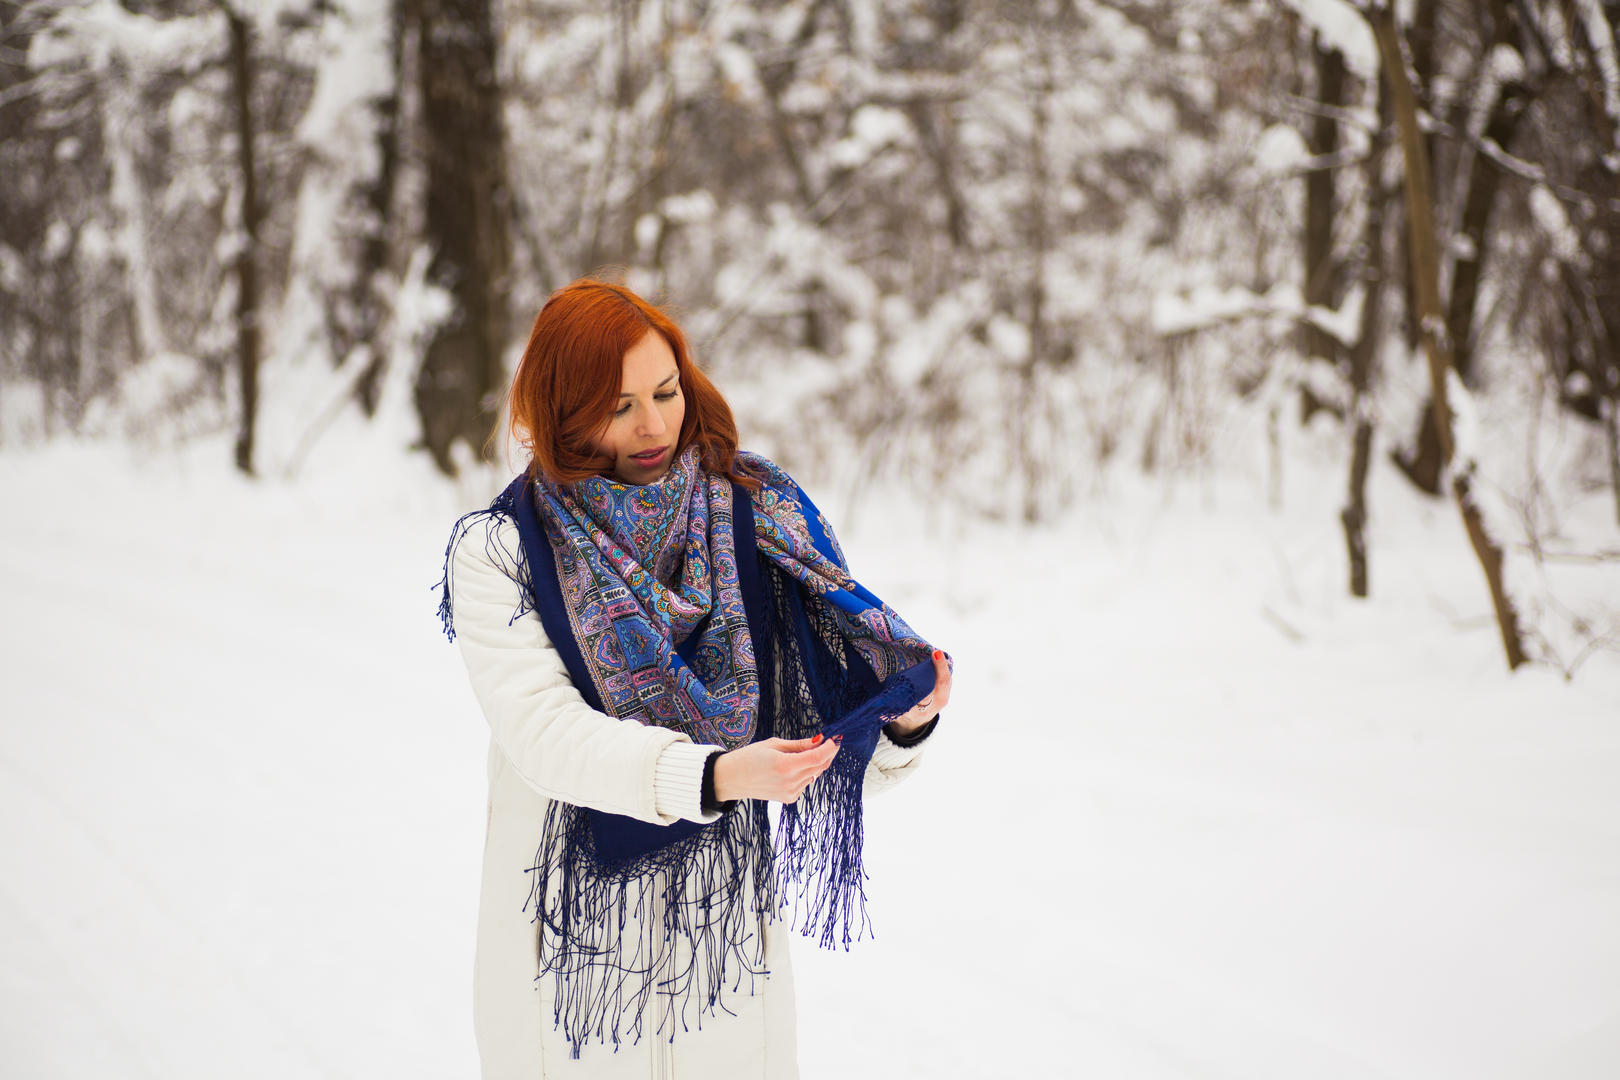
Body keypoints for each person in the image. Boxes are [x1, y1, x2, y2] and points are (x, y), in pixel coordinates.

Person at [437, 278, 951, 1078]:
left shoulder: (751, 519)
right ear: (562, 412)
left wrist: (901, 727)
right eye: (617, 407)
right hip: (568, 966)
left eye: (666, 391)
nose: (653, 425)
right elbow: (545, 736)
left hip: (725, 962)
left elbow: (811, 744)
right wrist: (713, 775)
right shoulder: (501, 551)